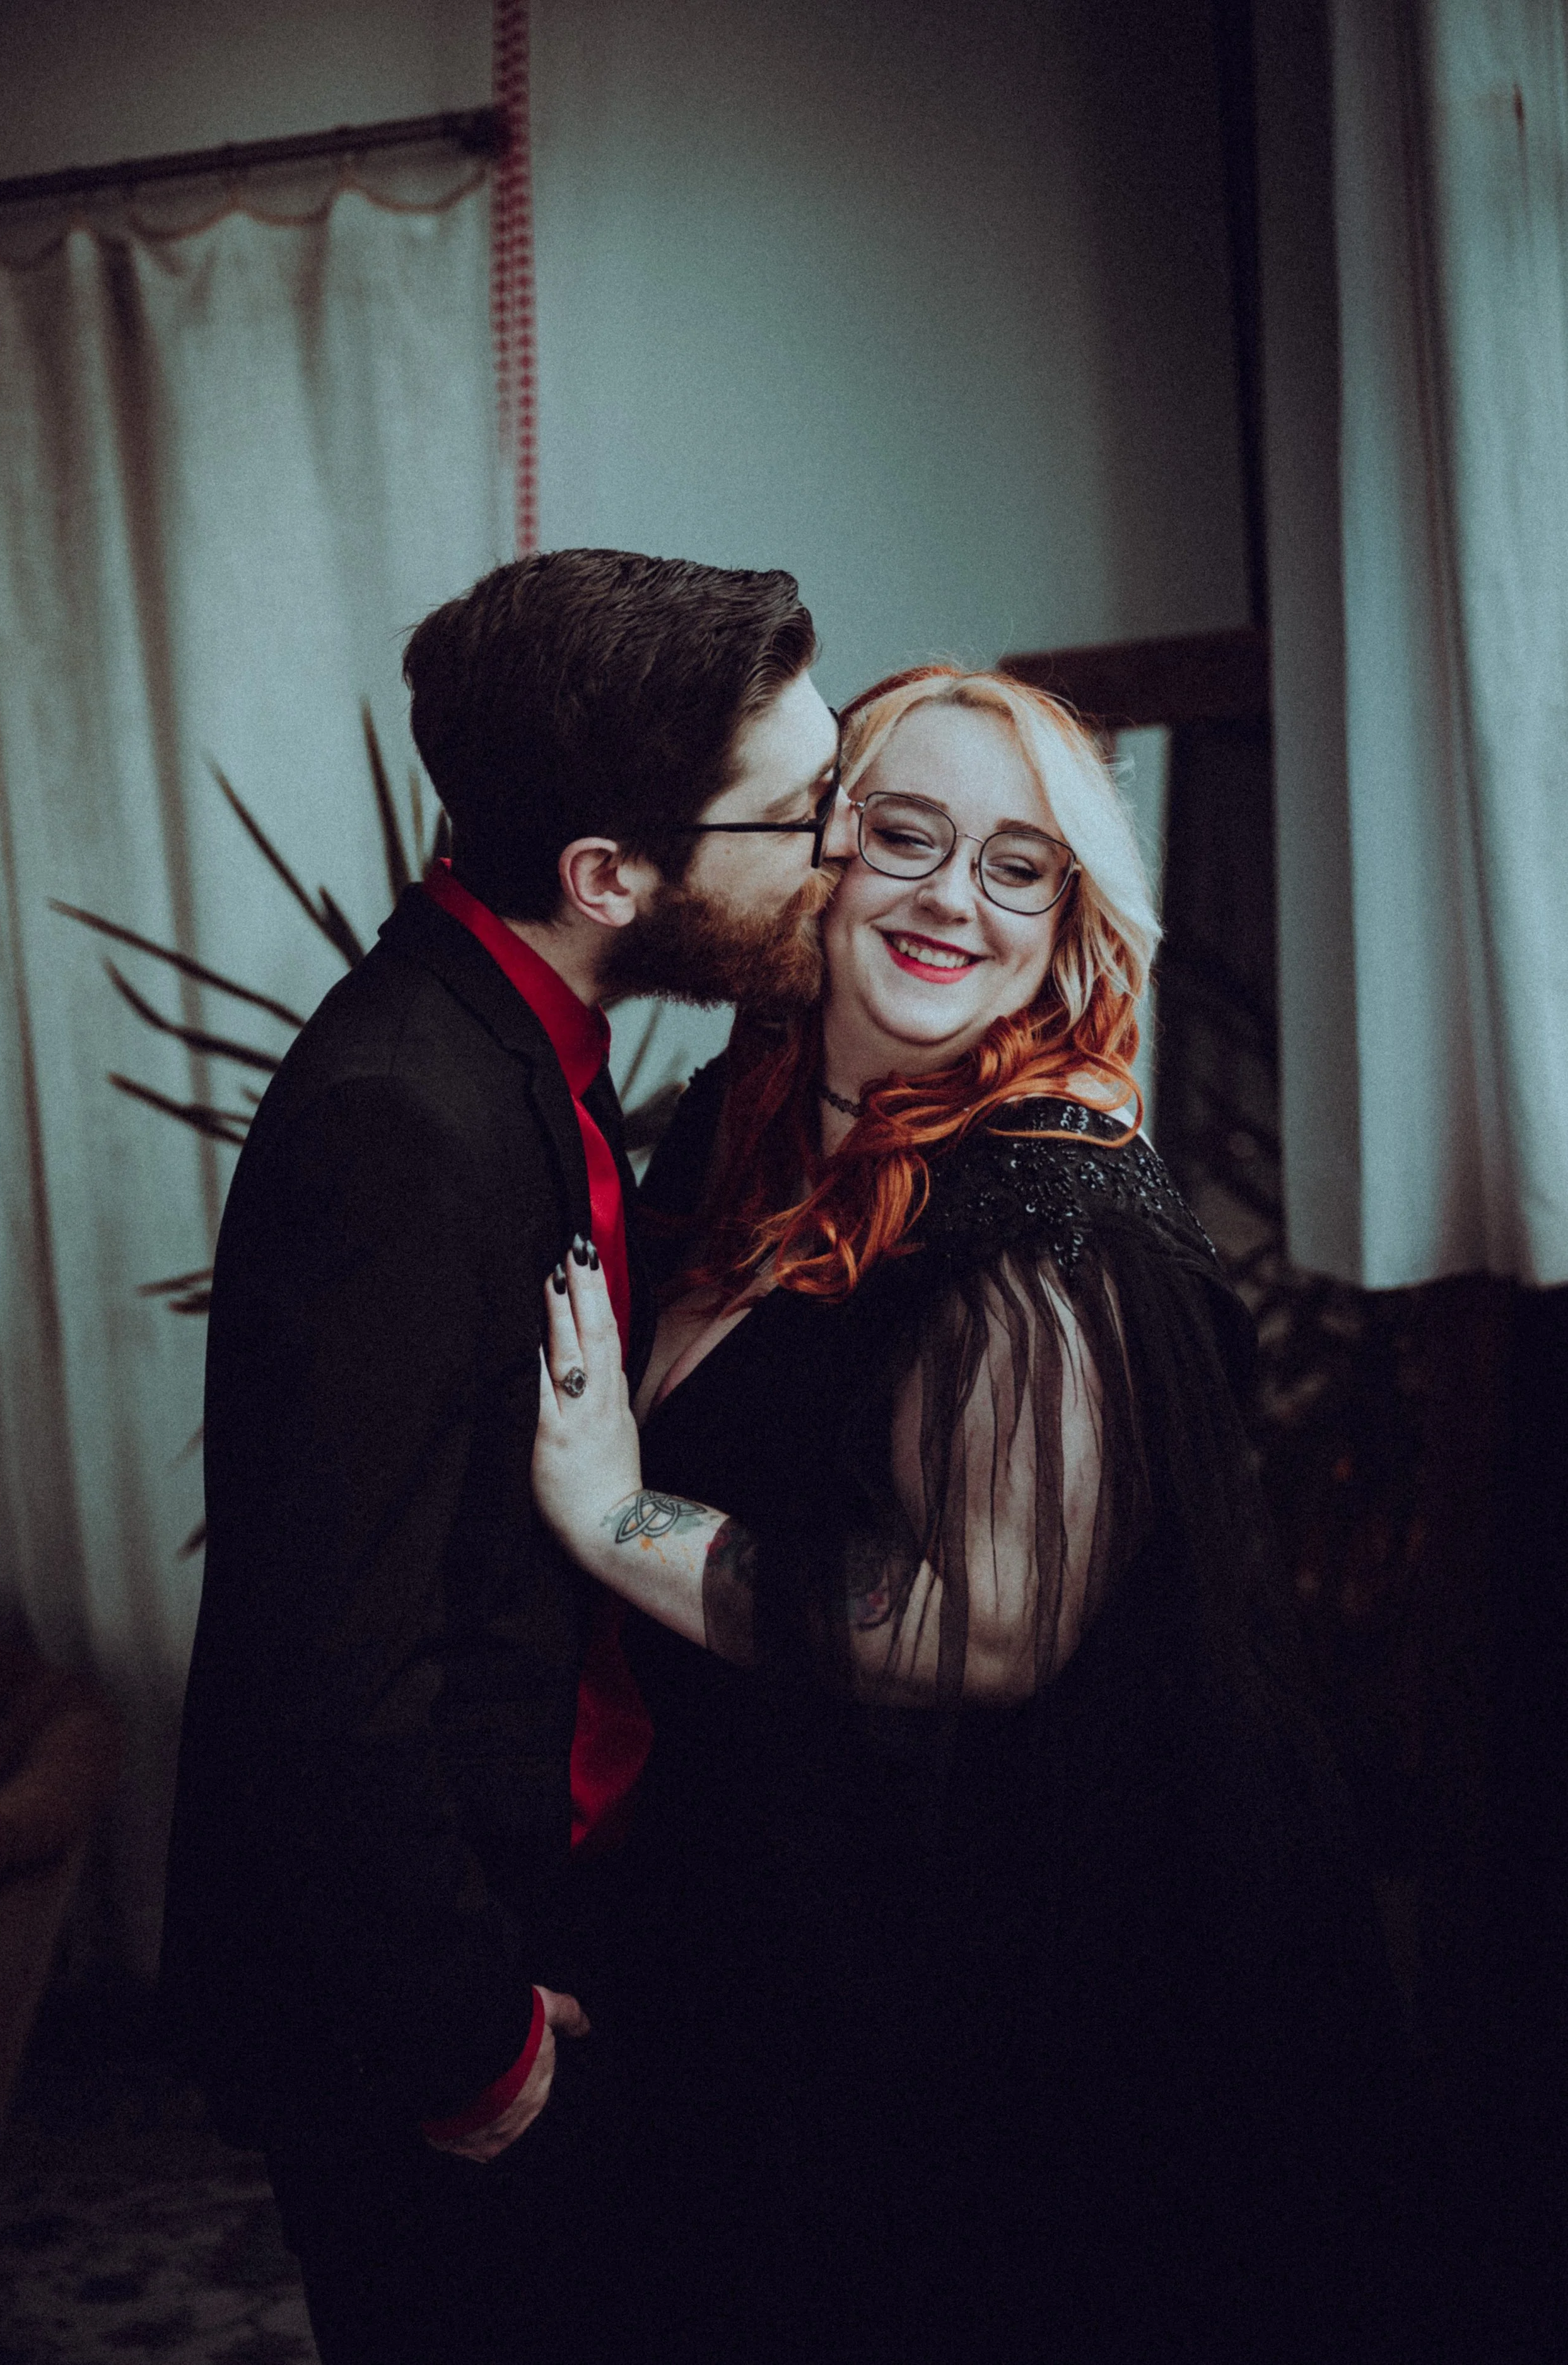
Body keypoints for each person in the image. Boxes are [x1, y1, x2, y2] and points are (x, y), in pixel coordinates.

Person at [532, 666, 1399, 2364]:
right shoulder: (748, 1107)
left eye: (1018, 864)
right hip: (762, 1918)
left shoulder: (1048, 1217)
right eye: (903, 833)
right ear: (819, 857)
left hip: (974, 1991)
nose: (951, 896)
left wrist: (610, 1512)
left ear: (1069, 919)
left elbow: (976, 1626)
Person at [158, 548, 842, 2365]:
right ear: (607, 876)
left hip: (540, 1898)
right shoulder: (401, 1111)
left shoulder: (534, 1042)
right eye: (800, 817)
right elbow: (323, 1665)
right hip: (429, 2000)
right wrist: (482, 2048)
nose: (839, 850)